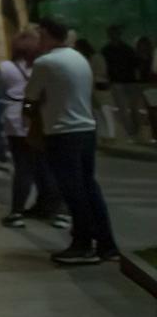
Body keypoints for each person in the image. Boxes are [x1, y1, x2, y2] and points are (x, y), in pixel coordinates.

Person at [27, 19, 119, 265]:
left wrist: (28, 113)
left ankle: (83, 244)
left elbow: (29, 99)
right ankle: (107, 244)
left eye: (39, 36)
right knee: (89, 186)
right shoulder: (79, 59)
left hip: (61, 132)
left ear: (46, 35)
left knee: (72, 190)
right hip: (86, 129)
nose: (37, 41)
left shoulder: (45, 63)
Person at [0, 27, 65, 229]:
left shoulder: (6, 67)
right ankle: (55, 209)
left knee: (23, 167)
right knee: (45, 165)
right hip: (39, 119)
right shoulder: (43, 66)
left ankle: (17, 211)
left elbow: (3, 92)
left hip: (15, 119)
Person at [101, 25, 142, 140]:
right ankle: (132, 132)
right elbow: (135, 64)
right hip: (124, 81)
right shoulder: (125, 48)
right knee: (127, 109)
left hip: (123, 81)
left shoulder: (107, 50)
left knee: (129, 108)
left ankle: (133, 132)